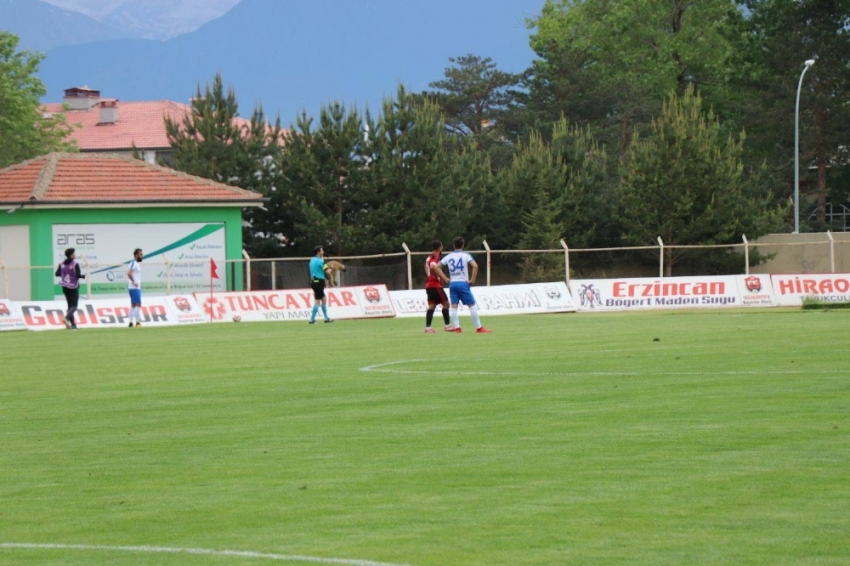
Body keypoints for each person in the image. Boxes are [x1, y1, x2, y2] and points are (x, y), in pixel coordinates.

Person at [439, 236, 491, 334]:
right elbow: (475, 266)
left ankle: (457, 328)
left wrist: (445, 278)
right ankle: (479, 328)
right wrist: (472, 279)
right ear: (463, 245)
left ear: (453, 245)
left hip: (453, 283)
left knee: (454, 306)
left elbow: (437, 267)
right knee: (472, 305)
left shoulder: (449, 256)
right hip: (463, 283)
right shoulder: (465, 255)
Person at [424, 240, 453, 333]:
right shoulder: (435, 257)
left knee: (432, 306)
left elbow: (427, 268)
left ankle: (428, 328)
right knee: (446, 304)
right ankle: (447, 326)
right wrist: (438, 277)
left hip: (428, 285)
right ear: (440, 248)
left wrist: (430, 275)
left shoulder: (428, 257)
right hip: (435, 285)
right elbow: (433, 267)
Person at [55, 247, 85, 330]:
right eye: (74, 253)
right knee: (74, 306)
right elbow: (78, 275)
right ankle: (67, 318)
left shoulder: (62, 264)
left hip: (65, 286)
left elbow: (57, 274)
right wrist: (83, 276)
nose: (75, 255)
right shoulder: (75, 264)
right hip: (73, 286)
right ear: (71, 255)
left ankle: (73, 325)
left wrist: (64, 274)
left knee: (69, 305)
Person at [308, 245, 333, 324]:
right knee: (318, 301)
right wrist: (332, 268)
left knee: (323, 299)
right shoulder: (320, 261)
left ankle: (326, 318)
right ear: (318, 252)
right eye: (322, 250)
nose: (323, 252)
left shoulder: (312, 260)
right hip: (319, 282)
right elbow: (328, 272)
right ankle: (312, 319)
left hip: (313, 281)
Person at [127, 248, 144, 328]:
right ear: (136, 255)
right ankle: (137, 323)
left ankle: (130, 322)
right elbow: (129, 273)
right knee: (138, 304)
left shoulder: (136, 263)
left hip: (132, 288)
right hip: (134, 288)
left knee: (133, 305)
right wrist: (134, 282)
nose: (142, 256)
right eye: (140, 254)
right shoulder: (133, 263)